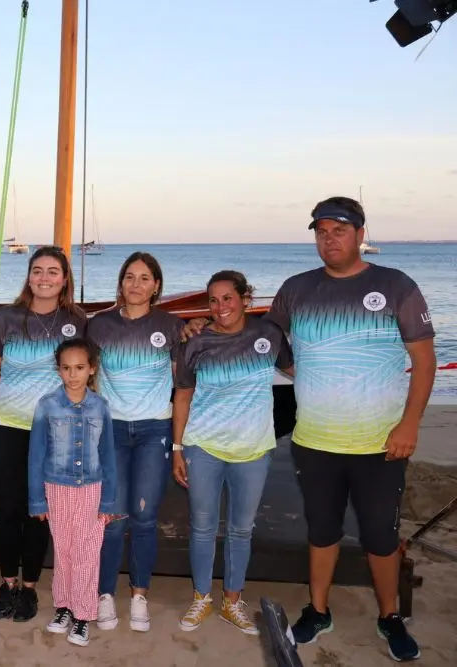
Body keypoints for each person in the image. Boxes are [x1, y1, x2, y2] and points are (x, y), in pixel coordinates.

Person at [182, 198, 436, 661]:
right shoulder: (297, 289)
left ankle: (390, 616)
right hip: (314, 440)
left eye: (339, 230)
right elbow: (256, 331)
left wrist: (411, 423)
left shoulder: (395, 285)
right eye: (321, 231)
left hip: (380, 441)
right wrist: (204, 322)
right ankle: (317, 611)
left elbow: (423, 360)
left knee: (380, 535)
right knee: (321, 531)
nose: (329, 239)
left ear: (360, 233)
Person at [172, 270, 293, 636]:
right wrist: (177, 448)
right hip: (203, 446)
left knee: (241, 530)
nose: (221, 306)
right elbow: (182, 397)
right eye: (213, 300)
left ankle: (232, 601)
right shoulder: (196, 343)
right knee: (203, 528)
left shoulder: (268, 335)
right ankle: (202, 597)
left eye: (228, 297)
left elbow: (299, 370)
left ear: (245, 298)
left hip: (254, 449)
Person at [0, 245, 88, 622]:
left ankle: (29, 589)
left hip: (54, 433)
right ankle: (7, 583)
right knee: (8, 510)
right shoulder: (6, 318)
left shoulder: (78, 321)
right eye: (37, 270)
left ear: (64, 278)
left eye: (52, 271)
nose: (44, 277)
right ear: (28, 276)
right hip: (5, 425)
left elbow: (88, 379)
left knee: (40, 513)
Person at [86, 251, 183, 632]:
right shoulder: (99, 326)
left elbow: (184, 385)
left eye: (145, 278)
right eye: (130, 277)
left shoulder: (173, 326)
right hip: (111, 431)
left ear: (156, 285)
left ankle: (139, 594)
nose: (136, 284)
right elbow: (84, 375)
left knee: (143, 518)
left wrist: (179, 441)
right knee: (112, 520)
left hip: (153, 431)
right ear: (121, 282)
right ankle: (104, 592)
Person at [28, 338, 116, 648]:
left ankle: (83, 614)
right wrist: (37, 498)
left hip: (92, 489)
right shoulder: (47, 405)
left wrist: (109, 500)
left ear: (92, 369)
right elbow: (36, 454)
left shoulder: (101, 406)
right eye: (66, 368)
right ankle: (64, 606)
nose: (73, 374)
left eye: (79, 368)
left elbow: (108, 456)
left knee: (87, 552)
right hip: (56, 488)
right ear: (58, 370)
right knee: (64, 551)